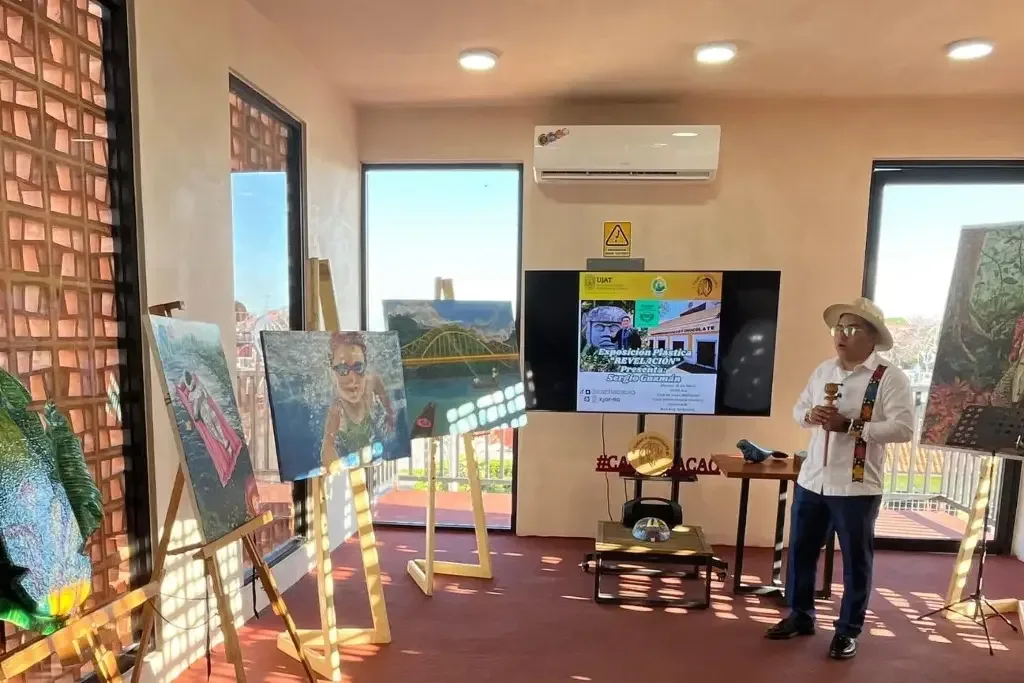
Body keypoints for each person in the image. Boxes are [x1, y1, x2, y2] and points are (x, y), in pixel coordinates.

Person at [766, 297, 913, 660]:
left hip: (855, 485)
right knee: (800, 551)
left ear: (872, 337)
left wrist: (852, 426)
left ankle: (848, 630)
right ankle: (800, 614)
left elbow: (904, 428)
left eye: (852, 329)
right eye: (838, 328)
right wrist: (810, 415)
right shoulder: (823, 370)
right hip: (812, 479)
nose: (841, 335)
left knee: (855, 561)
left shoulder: (890, 377)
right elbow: (798, 409)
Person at [320, 332, 396, 467]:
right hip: (348, 452)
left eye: (358, 367)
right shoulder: (336, 410)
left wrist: (390, 415)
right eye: (342, 369)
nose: (353, 379)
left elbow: (386, 400)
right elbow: (327, 447)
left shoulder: (372, 381)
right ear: (332, 374)